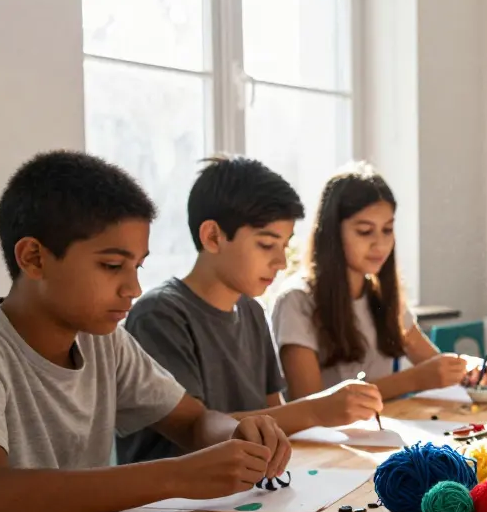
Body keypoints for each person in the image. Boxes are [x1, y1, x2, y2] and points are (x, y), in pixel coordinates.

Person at [0, 151, 291, 512]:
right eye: (112, 266)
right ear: (34, 258)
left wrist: (235, 435)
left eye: (137, 267)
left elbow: (193, 421)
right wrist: (177, 476)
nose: (132, 289)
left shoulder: (105, 342)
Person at [118, 156, 383, 464]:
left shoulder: (253, 311)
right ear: (213, 237)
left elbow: (274, 414)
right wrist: (317, 409)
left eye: (285, 246)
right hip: (177, 504)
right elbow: (193, 432)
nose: (281, 262)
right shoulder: (160, 315)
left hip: (249, 492)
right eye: (267, 245)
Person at [272, 162, 487, 401]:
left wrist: (468, 369)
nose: (380, 244)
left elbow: (434, 364)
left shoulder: (381, 296)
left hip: (384, 431)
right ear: (332, 233)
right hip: (326, 438)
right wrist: (413, 379)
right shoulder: (296, 300)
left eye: (387, 230)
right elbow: (307, 402)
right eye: (365, 231)